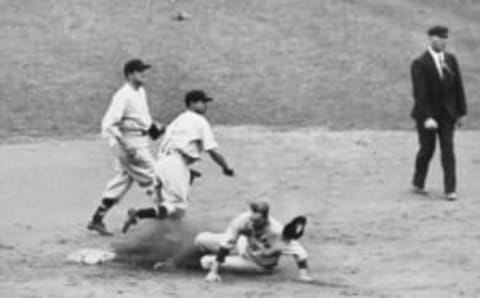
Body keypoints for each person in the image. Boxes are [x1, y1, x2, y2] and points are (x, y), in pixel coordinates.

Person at [121, 90, 235, 233]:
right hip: (174, 164)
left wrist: (185, 171)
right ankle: (138, 214)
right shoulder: (199, 121)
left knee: (167, 209)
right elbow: (212, 150)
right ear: (192, 103)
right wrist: (226, 167)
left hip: (161, 165)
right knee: (178, 207)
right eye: (202, 102)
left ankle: (164, 238)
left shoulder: (178, 120)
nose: (205, 105)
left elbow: (177, 144)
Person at [87, 59, 164, 236]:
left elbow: (141, 118)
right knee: (156, 179)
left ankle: (97, 220)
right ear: (130, 74)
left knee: (121, 183)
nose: (144, 73)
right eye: (139, 71)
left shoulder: (140, 92)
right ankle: (163, 221)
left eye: (144, 70)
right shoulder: (123, 95)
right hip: (131, 146)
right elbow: (109, 124)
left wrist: (153, 129)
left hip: (139, 141)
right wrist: (124, 145)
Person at [410, 25, 467, 201]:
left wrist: (461, 112)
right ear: (431, 39)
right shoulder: (419, 63)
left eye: (445, 39)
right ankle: (418, 182)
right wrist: (427, 117)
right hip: (427, 114)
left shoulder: (451, 60)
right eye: (440, 39)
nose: (444, 42)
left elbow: (458, 87)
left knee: (448, 149)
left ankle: (450, 189)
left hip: (447, 114)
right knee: (427, 150)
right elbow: (420, 94)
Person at [194, 200, 314, 282]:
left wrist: (303, 275)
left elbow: (301, 254)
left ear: (265, 218)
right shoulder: (243, 219)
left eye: (256, 221)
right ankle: (213, 259)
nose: (252, 223)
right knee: (200, 239)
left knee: (206, 262)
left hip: (256, 263)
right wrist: (214, 271)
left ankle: (198, 264)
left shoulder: (278, 233)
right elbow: (227, 243)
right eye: (251, 218)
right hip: (244, 245)